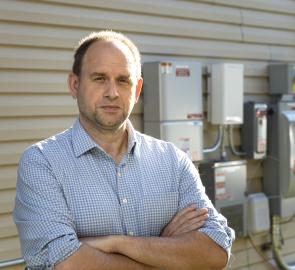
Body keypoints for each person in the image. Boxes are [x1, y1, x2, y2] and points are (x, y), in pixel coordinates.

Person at [13, 30, 235, 270]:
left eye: (123, 80)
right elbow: (65, 264)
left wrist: (117, 244)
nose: (112, 92)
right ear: (74, 85)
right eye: (99, 78)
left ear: (137, 90)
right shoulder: (42, 162)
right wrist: (165, 249)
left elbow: (216, 250)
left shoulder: (173, 161)